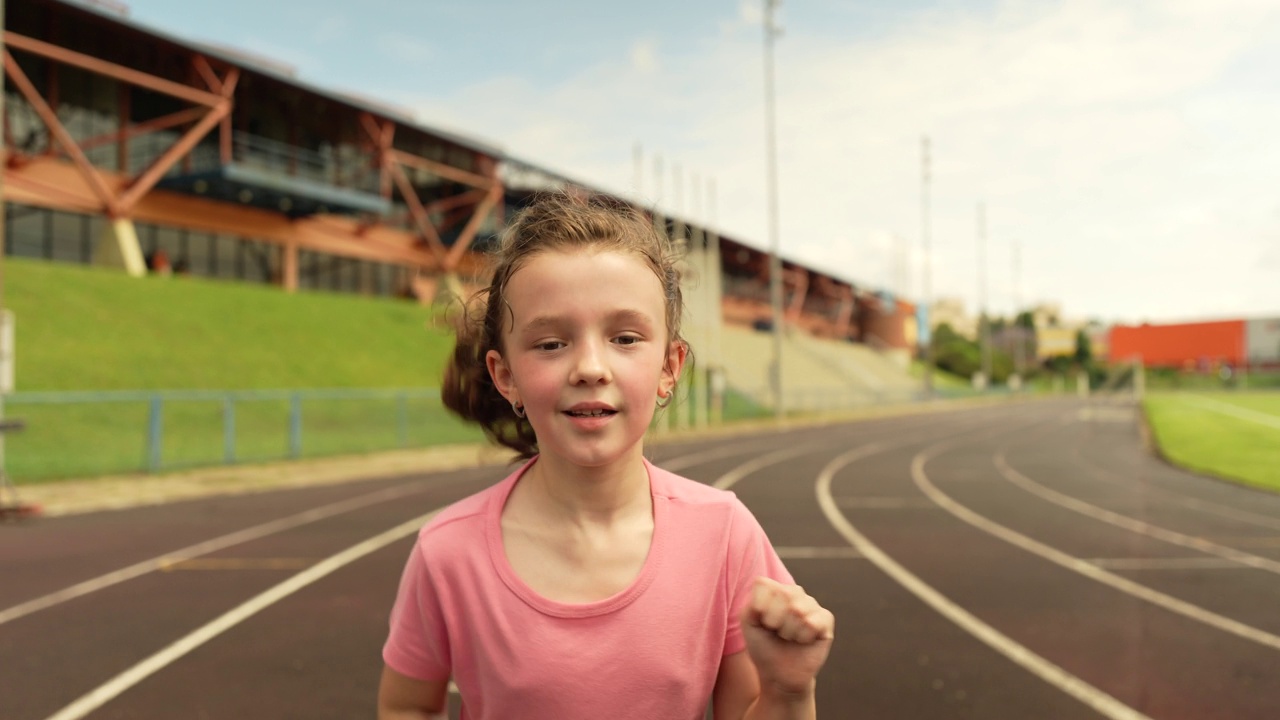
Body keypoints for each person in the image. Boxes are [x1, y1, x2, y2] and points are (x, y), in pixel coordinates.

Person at [378, 192, 834, 719]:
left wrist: (787, 691)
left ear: (670, 367)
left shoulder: (725, 535)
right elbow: (406, 707)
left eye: (624, 337)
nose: (590, 367)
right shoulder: (448, 553)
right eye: (550, 344)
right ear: (507, 377)